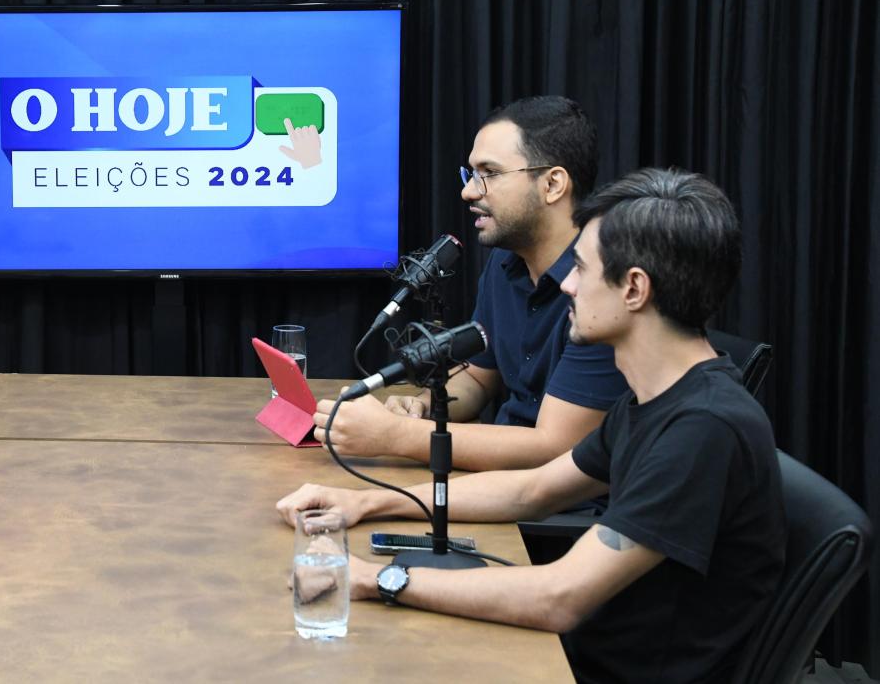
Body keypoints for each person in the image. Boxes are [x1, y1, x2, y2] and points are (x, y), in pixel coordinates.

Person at [279, 168, 783, 683]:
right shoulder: (654, 398)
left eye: (582, 270)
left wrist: (376, 578)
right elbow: (534, 490)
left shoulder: (702, 428)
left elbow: (559, 597)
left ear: (634, 288)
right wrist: (367, 501)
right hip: (573, 652)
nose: (566, 284)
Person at [314, 96, 628, 470]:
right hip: (504, 483)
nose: (468, 192)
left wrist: (397, 436)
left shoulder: (606, 288)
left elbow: (554, 447)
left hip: (562, 512)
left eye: (489, 174)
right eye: (470, 175)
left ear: (553, 184)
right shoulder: (504, 263)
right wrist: (426, 406)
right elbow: (478, 379)